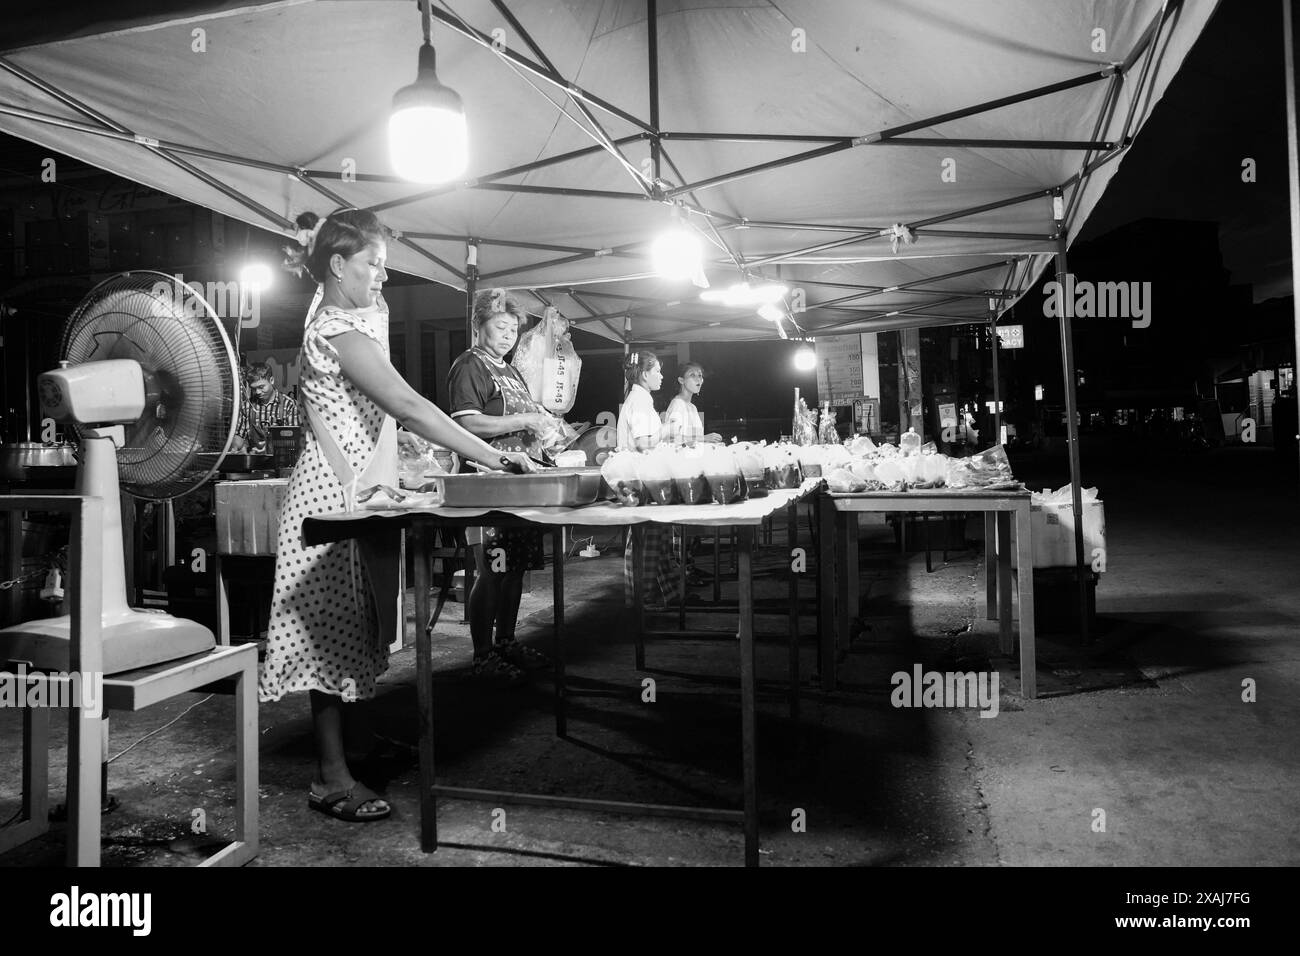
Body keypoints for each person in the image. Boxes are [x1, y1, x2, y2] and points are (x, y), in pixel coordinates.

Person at [261, 208, 535, 824]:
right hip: (330, 500)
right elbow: (407, 405)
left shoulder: (342, 312)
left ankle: (356, 747)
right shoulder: (334, 327)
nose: (383, 276)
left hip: (360, 494)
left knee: (358, 628)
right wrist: (491, 457)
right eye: (373, 265)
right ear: (337, 264)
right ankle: (331, 778)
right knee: (327, 638)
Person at [448, 288, 558, 684]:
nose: (508, 335)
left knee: (515, 570)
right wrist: (523, 422)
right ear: (479, 327)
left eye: (513, 328)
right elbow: (466, 424)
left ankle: (506, 641)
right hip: (486, 487)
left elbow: (526, 415)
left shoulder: (509, 370)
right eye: (500, 327)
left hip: (519, 487)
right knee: (491, 570)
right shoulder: (469, 366)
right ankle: (482, 654)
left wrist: (542, 423)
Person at [617, 351, 679, 609]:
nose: (662, 376)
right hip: (644, 483)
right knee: (648, 541)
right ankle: (642, 600)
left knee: (656, 540)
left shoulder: (638, 399)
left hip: (643, 482)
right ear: (644, 374)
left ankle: (663, 596)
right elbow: (644, 443)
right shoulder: (640, 402)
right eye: (657, 371)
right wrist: (667, 429)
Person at [234, 361, 300, 453]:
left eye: (261, 387)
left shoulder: (289, 405)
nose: (257, 392)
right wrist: (236, 448)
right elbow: (239, 435)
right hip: (255, 461)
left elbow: (294, 440)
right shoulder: (247, 406)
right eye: (253, 388)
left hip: (280, 460)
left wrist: (270, 447)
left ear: (271, 380)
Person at [662, 361, 722, 445]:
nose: (698, 379)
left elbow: (694, 440)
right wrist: (704, 438)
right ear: (681, 380)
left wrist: (709, 442)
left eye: (700, 375)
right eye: (692, 375)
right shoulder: (677, 404)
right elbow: (671, 438)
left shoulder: (693, 407)